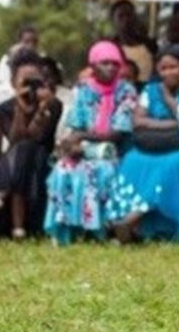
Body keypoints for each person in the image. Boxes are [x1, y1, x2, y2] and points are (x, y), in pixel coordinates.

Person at [109, 45, 179, 243]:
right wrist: (172, 123)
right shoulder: (150, 90)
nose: (168, 73)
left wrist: (170, 101)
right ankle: (134, 227)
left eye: (173, 67)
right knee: (131, 159)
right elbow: (137, 121)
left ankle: (133, 219)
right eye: (163, 69)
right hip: (154, 146)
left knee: (174, 166)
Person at [44, 41, 137, 244]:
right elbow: (76, 126)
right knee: (63, 168)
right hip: (87, 147)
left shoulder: (126, 92)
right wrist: (74, 145)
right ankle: (68, 229)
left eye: (115, 63)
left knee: (98, 170)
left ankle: (98, 231)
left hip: (118, 151)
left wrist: (83, 138)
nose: (111, 67)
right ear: (93, 66)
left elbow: (117, 133)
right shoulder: (83, 90)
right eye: (105, 63)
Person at [0, 50, 63, 239]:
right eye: (26, 82)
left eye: (35, 81)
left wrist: (41, 107)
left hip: (42, 158)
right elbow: (14, 138)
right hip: (15, 161)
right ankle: (17, 228)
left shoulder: (53, 104)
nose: (31, 87)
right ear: (14, 83)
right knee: (20, 152)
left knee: (26, 149)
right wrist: (21, 107)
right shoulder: (5, 107)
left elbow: (37, 136)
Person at [109, 0, 156, 86]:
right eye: (121, 16)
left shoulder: (149, 45)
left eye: (129, 15)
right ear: (113, 20)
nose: (126, 20)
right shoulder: (110, 48)